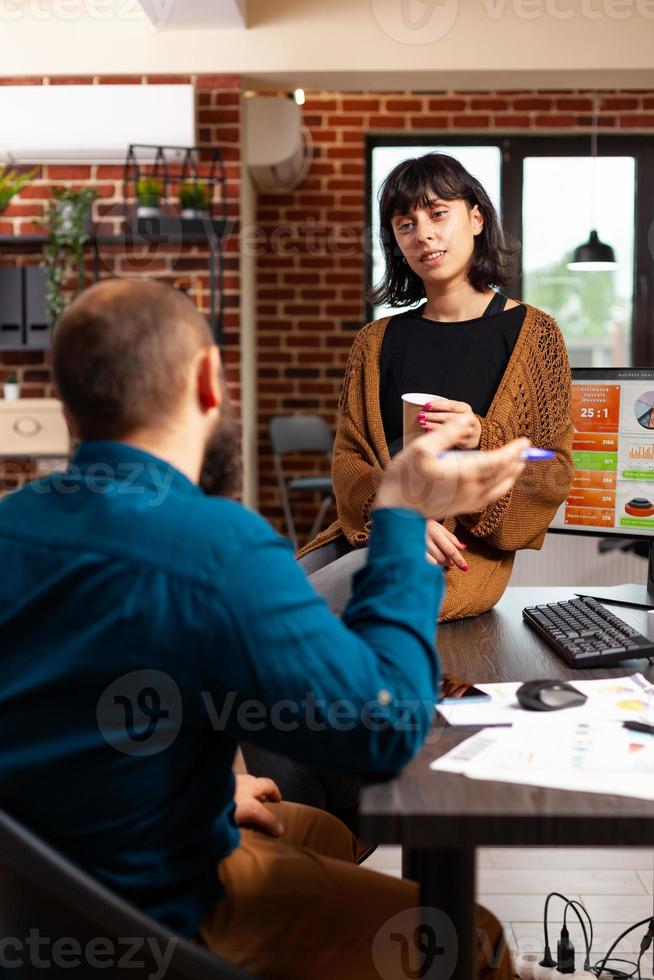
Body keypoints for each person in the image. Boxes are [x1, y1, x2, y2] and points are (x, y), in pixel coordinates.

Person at [0, 279, 527, 980]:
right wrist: (401, 516)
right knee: (470, 937)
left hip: (31, 904)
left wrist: (209, 789)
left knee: (323, 831)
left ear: (69, 406)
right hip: (160, 914)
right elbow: (384, 728)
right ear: (208, 381)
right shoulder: (218, 545)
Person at [297, 152, 574, 623]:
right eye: (406, 224)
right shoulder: (374, 342)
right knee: (269, 597)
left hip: (459, 555)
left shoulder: (535, 335)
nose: (423, 233)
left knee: (302, 617)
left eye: (438, 213)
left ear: (477, 218)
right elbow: (348, 463)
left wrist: (480, 436)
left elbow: (553, 468)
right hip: (375, 530)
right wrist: (398, 518)